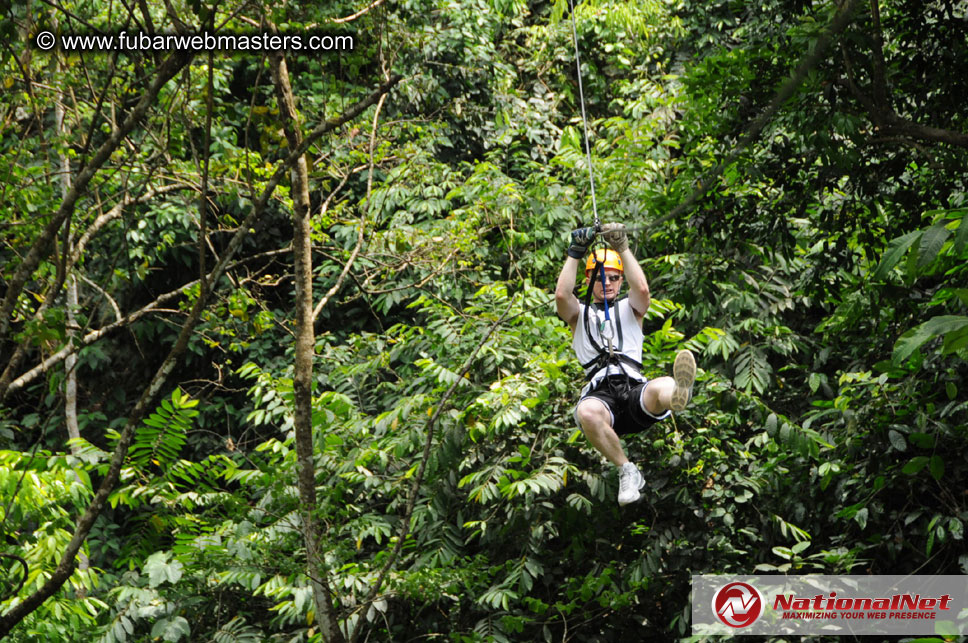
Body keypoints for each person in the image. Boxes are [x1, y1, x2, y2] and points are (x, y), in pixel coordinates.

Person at [555, 222, 696, 506]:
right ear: (588, 282)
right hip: (601, 392)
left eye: (613, 278)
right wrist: (575, 252)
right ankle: (626, 470)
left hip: (633, 387)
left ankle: (677, 396)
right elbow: (561, 296)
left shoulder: (630, 308)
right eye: (599, 278)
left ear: (620, 281)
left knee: (662, 386)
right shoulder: (577, 315)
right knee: (586, 411)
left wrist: (623, 248)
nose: (606, 283)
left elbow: (642, 289)